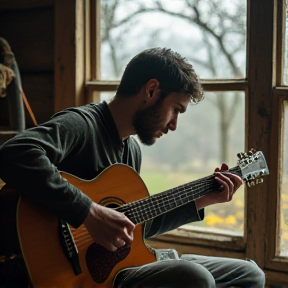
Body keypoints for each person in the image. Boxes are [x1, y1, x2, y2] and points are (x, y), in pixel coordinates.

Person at [0, 47, 265, 288]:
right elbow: (15, 153)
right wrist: (88, 212)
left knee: (250, 275)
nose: (174, 125)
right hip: (70, 274)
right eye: (176, 110)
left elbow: (132, 228)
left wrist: (201, 200)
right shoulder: (82, 125)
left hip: (117, 267)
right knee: (196, 278)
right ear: (151, 91)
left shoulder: (131, 150)